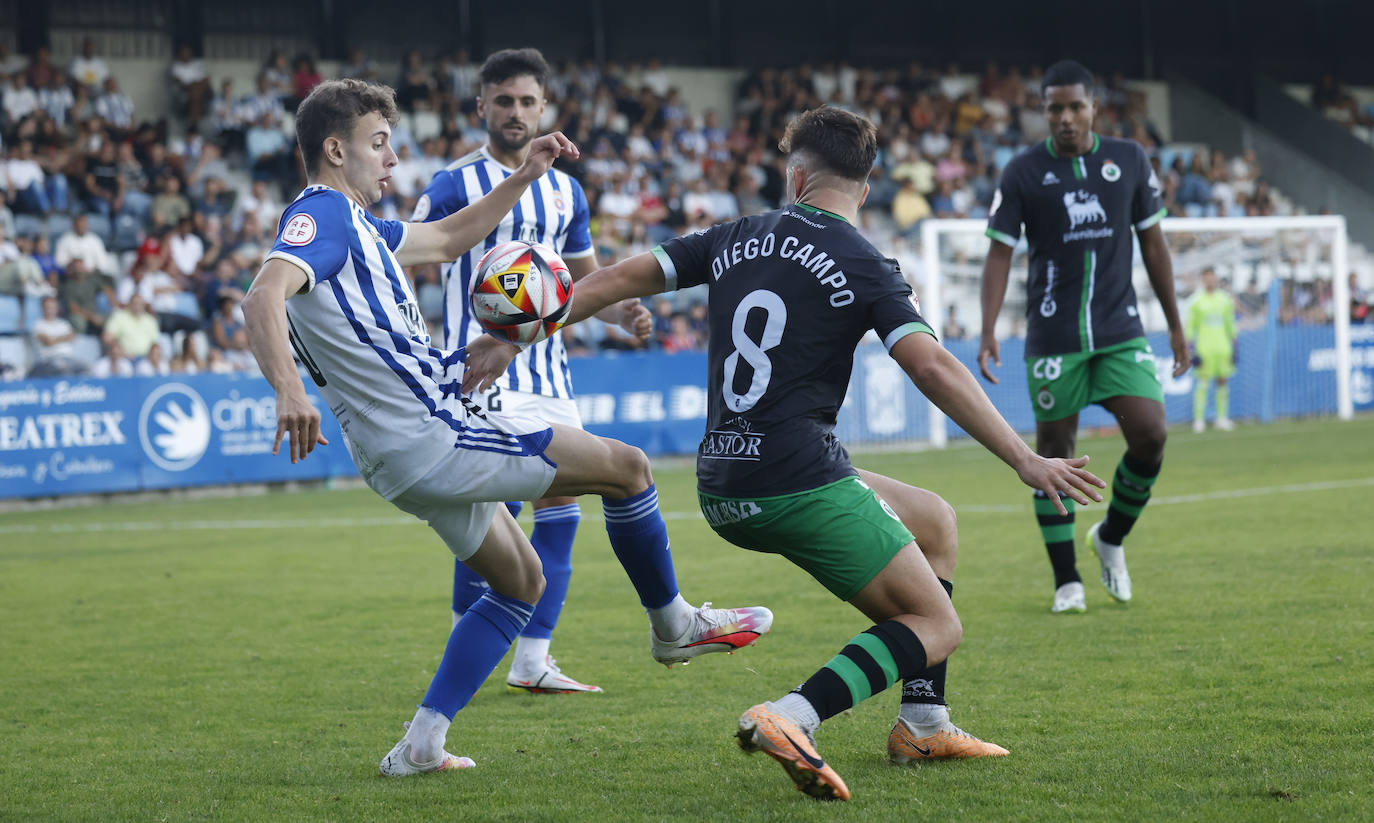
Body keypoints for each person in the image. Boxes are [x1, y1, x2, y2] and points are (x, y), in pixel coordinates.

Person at [463, 105, 1105, 802]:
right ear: (867, 184)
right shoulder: (865, 260)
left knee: (935, 519)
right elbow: (932, 367)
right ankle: (791, 715)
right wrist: (1024, 458)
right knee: (936, 623)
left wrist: (521, 333)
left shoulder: (736, 235)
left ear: (797, 174)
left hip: (724, 478)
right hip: (796, 477)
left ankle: (923, 720)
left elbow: (615, 280)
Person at [241, 78, 771, 776]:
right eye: (379, 145)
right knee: (629, 468)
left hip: (398, 452)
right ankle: (675, 625)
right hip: (435, 432)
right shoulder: (322, 217)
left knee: (521, 580)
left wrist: (523, 176)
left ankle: (420, 744)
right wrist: (288, 391)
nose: (393, 160)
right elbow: (263, 293)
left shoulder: (365, 229)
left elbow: (453, 236)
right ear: (335, 150)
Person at [414, 47, 650, 696]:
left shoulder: (567, 189)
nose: (515, 112)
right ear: (480, 106)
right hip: (481, 371)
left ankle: (533, 658)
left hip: (550, 371)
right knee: (491, 514)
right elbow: (404, 254)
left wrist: (615, 312)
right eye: (503, 101)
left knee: (564, 505)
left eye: (526, 101)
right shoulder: (452, 185)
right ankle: (475, 635)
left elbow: (578, 278)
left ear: (543, 107)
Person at [977, 60, 1189, 614]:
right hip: (1053, 336)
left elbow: (1154, 245)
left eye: (1075, 107)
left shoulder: (1129, 159)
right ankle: (1066, 579)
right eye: (1054, 109)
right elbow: (999, 252)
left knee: (1151, 434)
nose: (1065, 118)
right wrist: (987, 329)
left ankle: (1111, 537)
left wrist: (1175, 321)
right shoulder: (1022, 171)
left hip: (1120, 330)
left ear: (1094, 108)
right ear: (1043, 112)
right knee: (1053, 455)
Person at [1187, 268, 1236, 432]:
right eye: (1206, 277)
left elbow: (1230, 323)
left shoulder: (1225, 299)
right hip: (1204, 348)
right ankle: (1199, 419)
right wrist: (1191, 348)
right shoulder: (1196, 301)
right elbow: (1190, 327)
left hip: (1223, 348)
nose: (1210, 280)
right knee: (1203, 383)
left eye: (1212, 277)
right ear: (1203, 279)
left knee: (1222, 381)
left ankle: (1221, 418)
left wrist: (1234, 345)